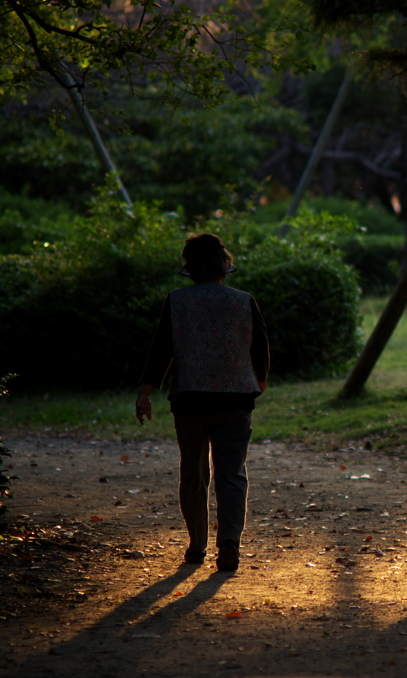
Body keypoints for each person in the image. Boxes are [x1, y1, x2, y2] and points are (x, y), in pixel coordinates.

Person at [136, 233, 269, 572]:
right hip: (236, 400)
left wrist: (145, 391)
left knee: (193, 473)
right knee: (232, 473)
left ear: (189, 267)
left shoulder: (177, 301)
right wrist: (258, 380)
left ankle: (196, 545)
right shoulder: (243, 300)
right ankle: (229, 543)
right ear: (225, 263)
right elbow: (260, 347)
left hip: (190, 401)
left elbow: (160, 349)